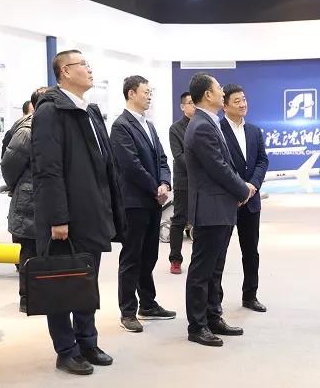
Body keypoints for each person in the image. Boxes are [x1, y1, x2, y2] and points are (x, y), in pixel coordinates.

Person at [31, 50, 126, 375]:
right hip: (67, 217)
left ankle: (87, 341)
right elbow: (48, 169)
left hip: (92, 211)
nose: (89, 69)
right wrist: (58, 217)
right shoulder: (50, 111)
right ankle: (66, 349)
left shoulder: (90, 110)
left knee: (86, 282)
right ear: (65, 72)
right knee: (61, 284)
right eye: (82, 64)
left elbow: (103, 164)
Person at [184, 72, 252, 347]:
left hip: (220, 207)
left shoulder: (209, 122)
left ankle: (213, 316)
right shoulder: (202, 126)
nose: (223, 91)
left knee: (215, 269)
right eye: (219, 87)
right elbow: (219, 168)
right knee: (202, 271)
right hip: (210, 209)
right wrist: (242, 189)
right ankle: (197, 325)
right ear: (208, 95)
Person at [109, 76, 175, 333]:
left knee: (150, 255)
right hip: (134, 202)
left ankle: (148, 304)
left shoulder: (149, 125)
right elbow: (130, 165)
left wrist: (165, 183)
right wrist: (155, 188)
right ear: (131, 93)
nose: (149, 96)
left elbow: (162, 158)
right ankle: (128, 311)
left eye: (150, 92)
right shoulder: (121, 126)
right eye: (145, 92)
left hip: (153, 200)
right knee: (132, 257)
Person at [220, 84, 269, 313]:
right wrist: (240, 189)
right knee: (219, 253)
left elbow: (262, 161)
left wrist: (252, 186)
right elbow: (221, 165)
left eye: (244, 99)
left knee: (251, 251)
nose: (243, 104)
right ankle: (215, 300)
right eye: (237, 101)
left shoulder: (254, 131)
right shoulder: (217, 130)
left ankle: (250, 296)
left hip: (251, 200)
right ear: (225, 105)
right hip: (227, 200)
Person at [1, 87, 47, 312]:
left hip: (44, 200)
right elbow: (9, 164)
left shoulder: (51, 127)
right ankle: (27, 298)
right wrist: (18, 186)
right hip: (29, 200)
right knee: (29, 249)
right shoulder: (27, 131)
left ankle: (45, 294)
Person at [168, 91, 196, 274]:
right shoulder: (175, 129)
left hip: (203, 183)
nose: (194, 106)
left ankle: (199, 260)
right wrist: (202, 166)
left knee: (201, 221)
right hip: (184, 182)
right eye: (190, 103)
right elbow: (179, 157)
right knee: (179, 220)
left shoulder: (204, 125)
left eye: (196, 102)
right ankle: (175, 259)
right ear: (182, 106)